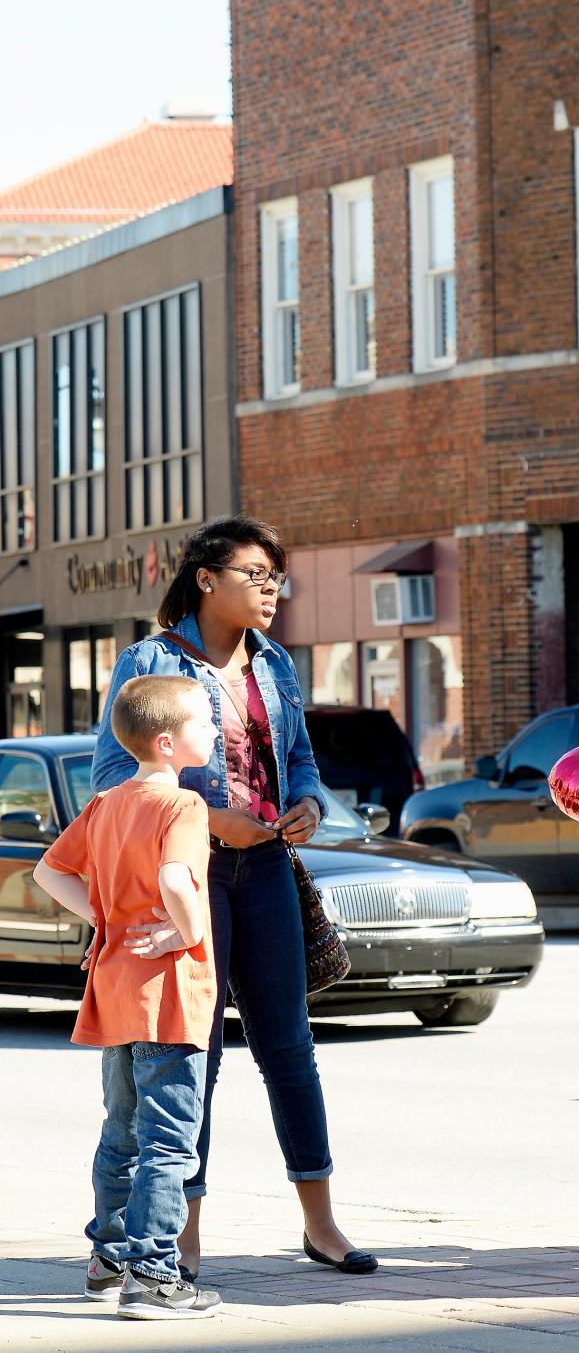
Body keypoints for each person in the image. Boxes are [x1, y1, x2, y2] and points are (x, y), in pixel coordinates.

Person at [91, 516, 377, 1278]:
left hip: (269, 872)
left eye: (277, 577)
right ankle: (182, 1238)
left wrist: (308, 804)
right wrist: (211, 817)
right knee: (197, 1052)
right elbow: (111, 779)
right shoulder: (149, 661)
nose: (270, 588)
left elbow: (302, 759)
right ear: (207, 578)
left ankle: (321, 1225)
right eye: (255, 573)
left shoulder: (275, 662)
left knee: (289, 1048)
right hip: (192, 875)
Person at [33, 675, 222, 1319]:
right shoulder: (184, 807)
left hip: (113, 985)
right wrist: (190, 927)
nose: (215, 732)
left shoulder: (109, 802)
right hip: (168, 991)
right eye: (205, 723)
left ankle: (108, 1256)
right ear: (169, 743)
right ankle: (155, 1274)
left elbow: (47, 870)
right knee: (170, 1138)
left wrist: (105, 916)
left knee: (121, 1129)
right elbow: (175, 875)